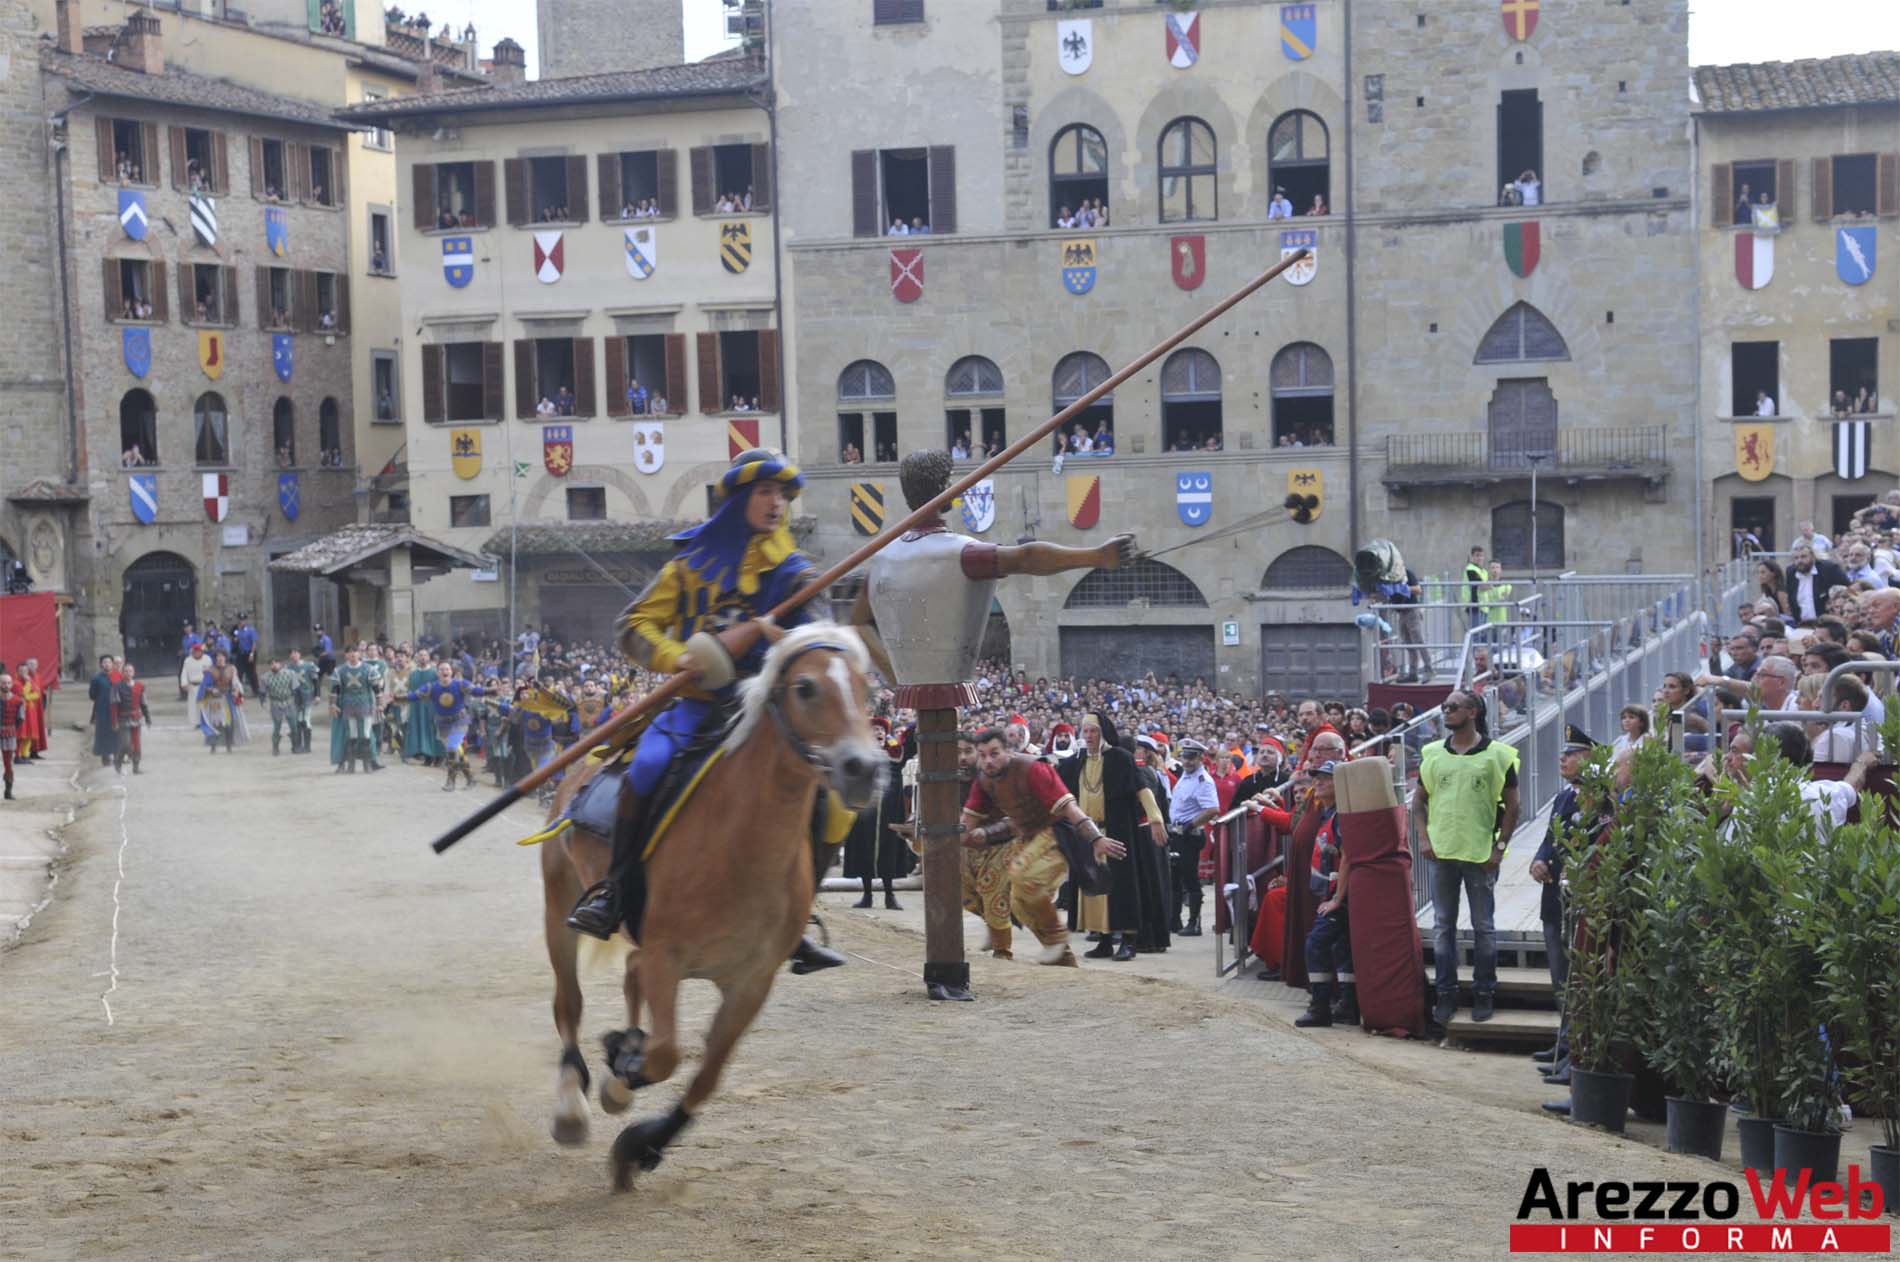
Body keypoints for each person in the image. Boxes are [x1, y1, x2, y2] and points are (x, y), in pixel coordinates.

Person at [563, 449, 845, 977]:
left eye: (782, 495)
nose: (776, 504)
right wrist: (679, 657)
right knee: (645, 770)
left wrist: (791, 638)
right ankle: (616, 892)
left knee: (834, 803)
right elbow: (632, 626)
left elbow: (820, 636)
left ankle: (800, 918)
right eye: (765, 492)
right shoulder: (687, 567)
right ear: (740, 498)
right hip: (696, 708)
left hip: (768, 716)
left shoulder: (796, 572)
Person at [960, 727, 1128, 968]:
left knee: (1022, 877)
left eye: (994, 753)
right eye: (982, 755)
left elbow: (1070, 808)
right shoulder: (984, 779)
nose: (988, 760)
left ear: (1008, 750)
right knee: (1019, 902)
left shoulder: (1033, 768)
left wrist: (1095, 838)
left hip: (1057, 833)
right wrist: (947, 839)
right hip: (1026, 837)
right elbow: (967, 822)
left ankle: (1057, 937)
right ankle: (1063, 958)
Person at [1417, 689, 1520, 1026]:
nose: (1446, 712)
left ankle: (1484, 993)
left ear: (1473, 711)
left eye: (1453, 707)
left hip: (1480, 856)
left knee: (1484, 927)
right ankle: (1445, 994)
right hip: (1442, 853)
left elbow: (1513, 807)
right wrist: (1423, 837)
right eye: (1444, 707)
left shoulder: (1498, 756)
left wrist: (1500, 848)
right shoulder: (1432, 753)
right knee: (1443, 926)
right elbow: (1418, 802)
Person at [1059, 712, 1165, 961]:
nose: (1089, 736)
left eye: (1093, 731)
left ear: (1103, 732)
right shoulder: (1077, 760)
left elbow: (1142, 789)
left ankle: (1128, 941)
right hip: (1088, 834)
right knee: (1096, 889)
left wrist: (1156, 819)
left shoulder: (1121, 758)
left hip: (1117, 831)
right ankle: (1104, 940)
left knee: (1123, 887)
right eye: (1085, 731)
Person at [1530, 731, 1593, 1083]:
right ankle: (1564, 1044)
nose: (1563, 760)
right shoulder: (1564, 796)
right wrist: (1538, 861)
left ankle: (1573, 1049)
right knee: (1559, 976)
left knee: (1574, 977)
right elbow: (1549, 838)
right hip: (1553, 895)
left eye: (1572, 754)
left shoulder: (1597, 799)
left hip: (1577, 897)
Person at [1293, 761, 1357, 1028]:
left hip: (1340, 897)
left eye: (1325, 778)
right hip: (1332, 893)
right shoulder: (1329, 813)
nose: (1317, 783)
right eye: (1316, 778)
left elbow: (1348, 857)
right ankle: (1349, 1006)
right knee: (1342, 948)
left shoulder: (1341, 815)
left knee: (1315, 943)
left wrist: (1337, 899)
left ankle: (1320, 1007)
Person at [1165, 738, 1221, 937]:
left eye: (1192, 758)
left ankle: (1194, 923)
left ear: (1200, 758)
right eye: (1184, 757)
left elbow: (1213, 809)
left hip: (1189, 834)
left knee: (1190, 880)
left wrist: (1190, 825)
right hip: (1177, 833)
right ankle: (1175, 919)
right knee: (1175, 879)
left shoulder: (1203, 780)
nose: (1187, 761)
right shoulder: (1186, 776)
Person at [410, 660, 487, 791]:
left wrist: (491, 690)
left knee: (452, 749)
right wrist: (397, 698)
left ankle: (450, 781)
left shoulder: (460, 684)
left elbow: (477, 691)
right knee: (457, 751)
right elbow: (414, 696)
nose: (444, 671)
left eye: (447, 669)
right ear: (437, 672)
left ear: (452, 672)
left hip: (460, 721)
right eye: (441, 669)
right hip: (442, 723)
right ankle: (470, 779)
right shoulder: (432, 687)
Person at [330, 648, 385, 774]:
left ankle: (367, 765)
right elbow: (335, 689)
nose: (353, 655)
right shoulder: (340, 670)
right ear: (346, 655)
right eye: (350, 652)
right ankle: (351, 765)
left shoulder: (369, 669)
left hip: (365, 704)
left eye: (355, 652)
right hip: (348, 705)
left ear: (359, 654)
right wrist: (333, 704)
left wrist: (380, 704)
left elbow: (376, 689)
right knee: (352, 735)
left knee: (365, 734)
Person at [196, 650, 246, 753]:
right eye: (218, 656)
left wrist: (237, 690)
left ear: (225, 657)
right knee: (215, 723)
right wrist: (211, 690)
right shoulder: (210, 670)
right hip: (215, 700)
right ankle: (213, 747)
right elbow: (205, 685)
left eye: (222, 656)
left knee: (229, 723)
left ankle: (229, 746)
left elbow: (235, 682)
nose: (220, 658)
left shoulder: (231, 669)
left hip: (228, 699)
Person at [1787, 543, 1849, 623]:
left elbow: (1847, 588)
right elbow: (1791, 598)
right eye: (1796, 558)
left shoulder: (1829, 568)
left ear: (1813, 556)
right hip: (1802, 623)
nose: (1800, 561)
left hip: (1826, 622)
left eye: (1803, 557)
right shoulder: (1791, 572)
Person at [88, 655, 120, 768]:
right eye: (104, 662)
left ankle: (117, 756)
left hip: (116, 710)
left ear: (112, 664)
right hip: (102, 710)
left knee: (116, 732)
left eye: (109, 662)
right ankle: (105, 757)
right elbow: (92, 695)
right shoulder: (97, 679)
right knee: (103, 733)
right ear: (101, 664)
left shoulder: (118, 676)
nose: (107, 664)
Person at [179, 642, 211, 732]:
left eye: (199, 651)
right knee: (194, 706)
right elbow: (184, 673)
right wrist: (184, 683)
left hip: (204, 685)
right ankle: (196, 723)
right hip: (193, 686)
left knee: (205, 705)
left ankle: (206, 721)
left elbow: (211, 672)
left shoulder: (207, 659)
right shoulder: (187, 660)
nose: (197, 653)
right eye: (195, 651)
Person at [0, 672, 20, 799]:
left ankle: (8, 791)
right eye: (3, 682)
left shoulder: (17, 701)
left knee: (8, 763)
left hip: (9, 734)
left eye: (8, 683)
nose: (6, 685)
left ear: (11, 684)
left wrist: (11, 729)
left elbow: (20, 718)